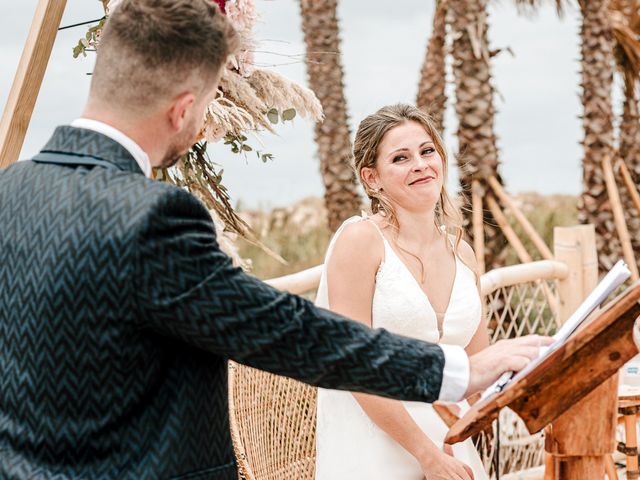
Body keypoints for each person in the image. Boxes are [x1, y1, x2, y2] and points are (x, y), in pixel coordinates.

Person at [0, 2, 550, 479]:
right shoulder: (156, 217)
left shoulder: (9, 192)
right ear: (183, 108)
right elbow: (285, 331)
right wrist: (455, 371)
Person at [315, 104, 496, 480]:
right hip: (378, 448)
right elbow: (353, 365)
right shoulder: (360, 240)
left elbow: (480, 367)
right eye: (401, 157)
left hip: (452, 444)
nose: (420, 164)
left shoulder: (463, 253)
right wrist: (426, 456)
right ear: (372, 178)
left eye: (427, 151)